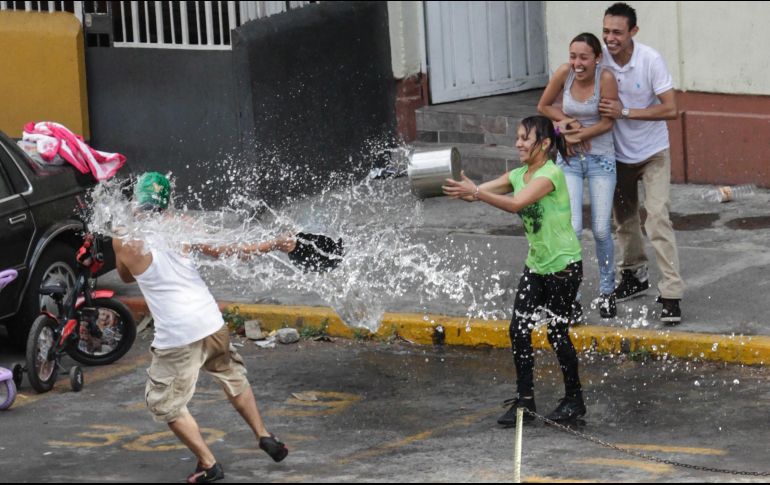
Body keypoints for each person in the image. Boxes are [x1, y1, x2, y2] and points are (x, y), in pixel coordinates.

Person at [113, 172, 289, 483]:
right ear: (167, 203)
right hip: (211, 322)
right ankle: (263, 434)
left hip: (178, 337)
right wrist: (274, 243)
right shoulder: (184, 226)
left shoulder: (125, 239)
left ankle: (208, 464)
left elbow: (125, 277)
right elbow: (233, 249)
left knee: (164, 403)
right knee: (231, 375)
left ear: (137, 204)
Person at [443, 116, 586, 426]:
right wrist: (459, 184)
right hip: (536, 265)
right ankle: (525, 401)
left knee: (557, 333)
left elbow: (515, 203)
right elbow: (474, 192)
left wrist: (477, 191)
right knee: (518, 330)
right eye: (518, 137)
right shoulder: (519, 173)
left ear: (545, 144)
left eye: (525, 138)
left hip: (564, 267)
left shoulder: (550, 175)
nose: (518, 143)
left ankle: (574, 400)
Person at [598, 2, 684, 324]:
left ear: (633, 31)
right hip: (617, 154)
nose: (610, 38)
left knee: (658, 218)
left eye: (617, 32)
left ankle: (672, 294)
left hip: (653, 153)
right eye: (606, 31)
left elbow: (670, 108)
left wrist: (626, 112)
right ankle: (633, 275)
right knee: (624, 222)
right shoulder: (600, 59)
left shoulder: (650, 60)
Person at [538, 32, 619, 320]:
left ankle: (608, 292)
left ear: (597, 58)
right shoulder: (564, 73)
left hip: (601, 160)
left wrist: (580, 134)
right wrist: (565, 125)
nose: (577, 63)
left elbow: (609, 121)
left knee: (600, 229)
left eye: (584, 57)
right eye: (573, 56)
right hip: (569, 160)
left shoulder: (605, 79)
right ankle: (569, 296)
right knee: (570, 229)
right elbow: (544, 106)